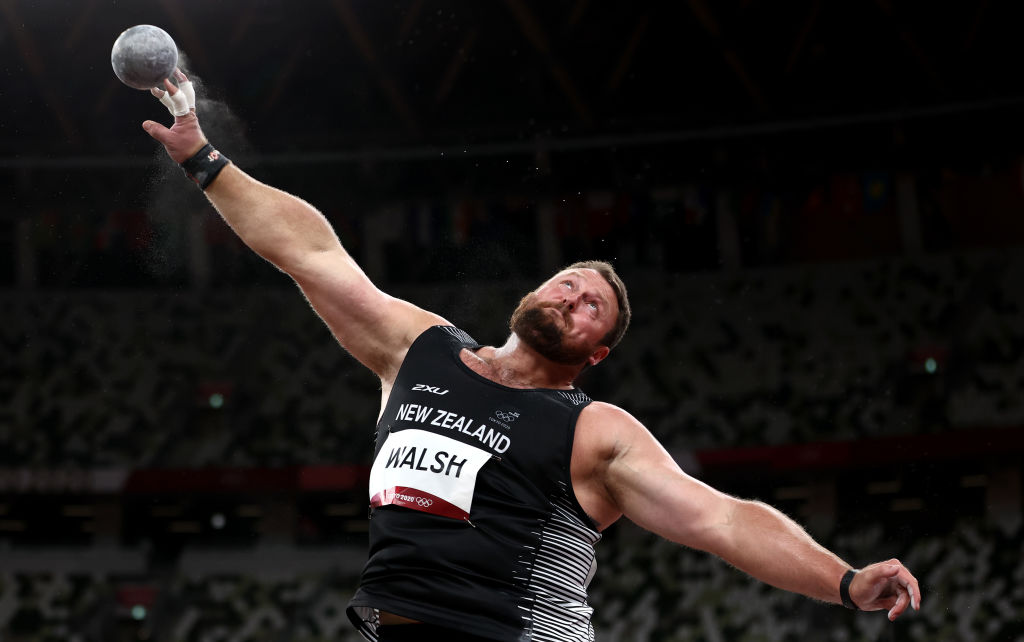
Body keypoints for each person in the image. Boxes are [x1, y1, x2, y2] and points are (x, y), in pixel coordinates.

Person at [142, 70, 921, 642]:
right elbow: (312, 253)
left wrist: (846, 583)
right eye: (568, 283)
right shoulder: (420, 351)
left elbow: (719, 519)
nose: (571, 298)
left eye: (592, 308)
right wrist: (205, 161)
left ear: (598, 351)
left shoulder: (594, 433)